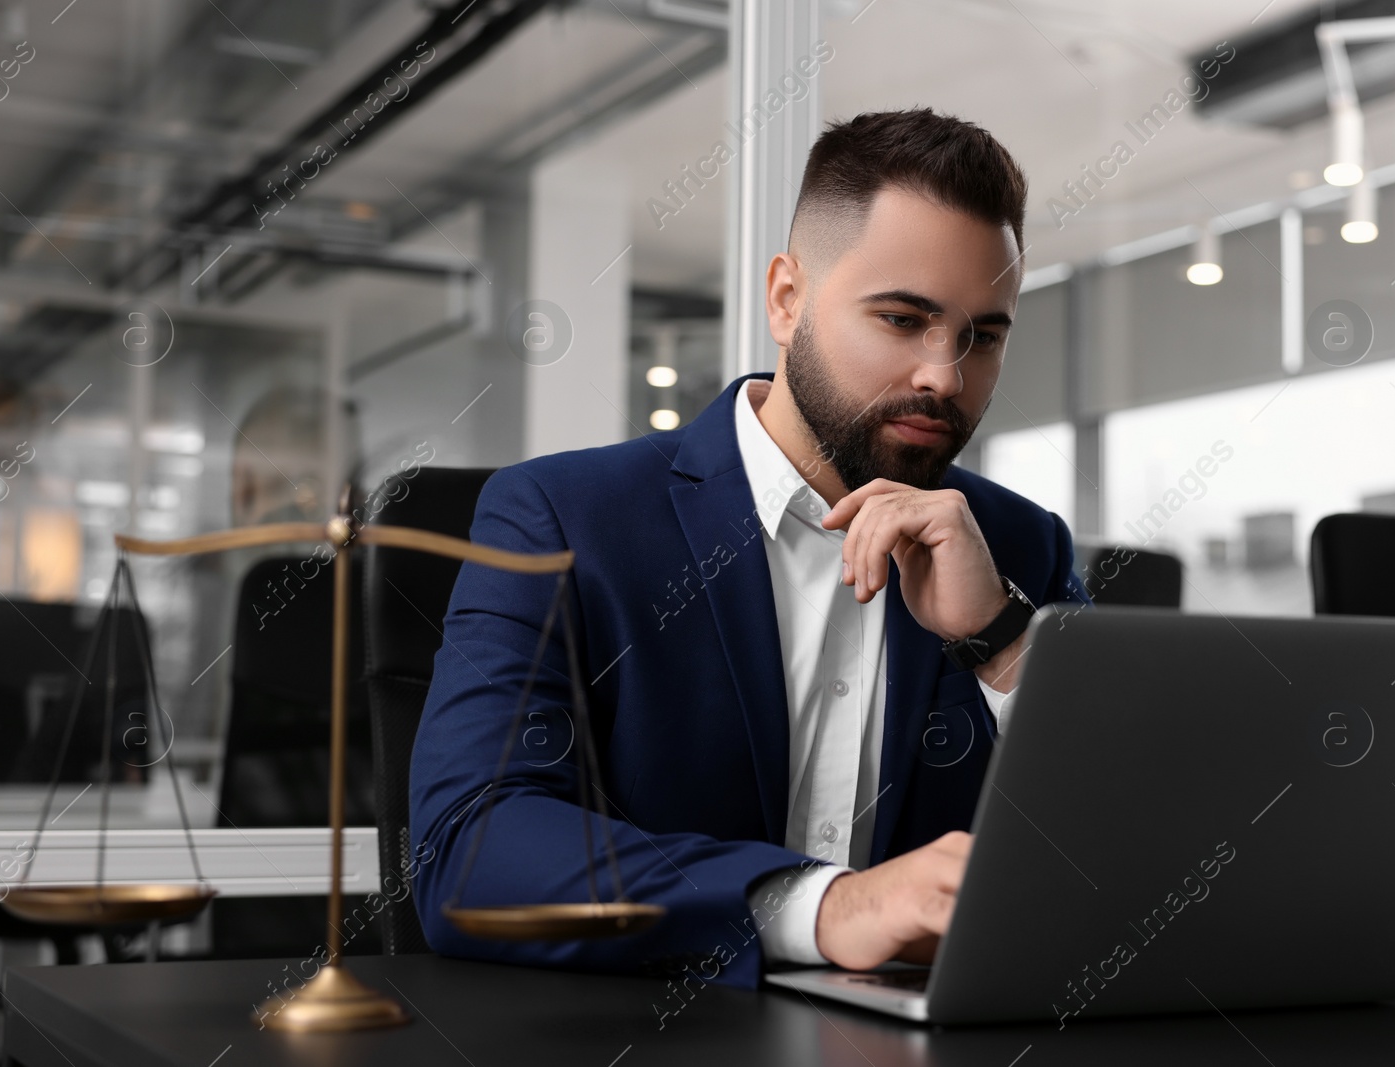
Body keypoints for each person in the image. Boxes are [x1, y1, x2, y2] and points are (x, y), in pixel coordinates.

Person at [411, 107, 1088, 990]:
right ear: (786, 299)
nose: (943, 375)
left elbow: (1126, 856)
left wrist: (1001, 639)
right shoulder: (562, 516)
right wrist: (830, 906)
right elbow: (469, 848)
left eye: (981, 336)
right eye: (901, 318)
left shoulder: (1021, 548)